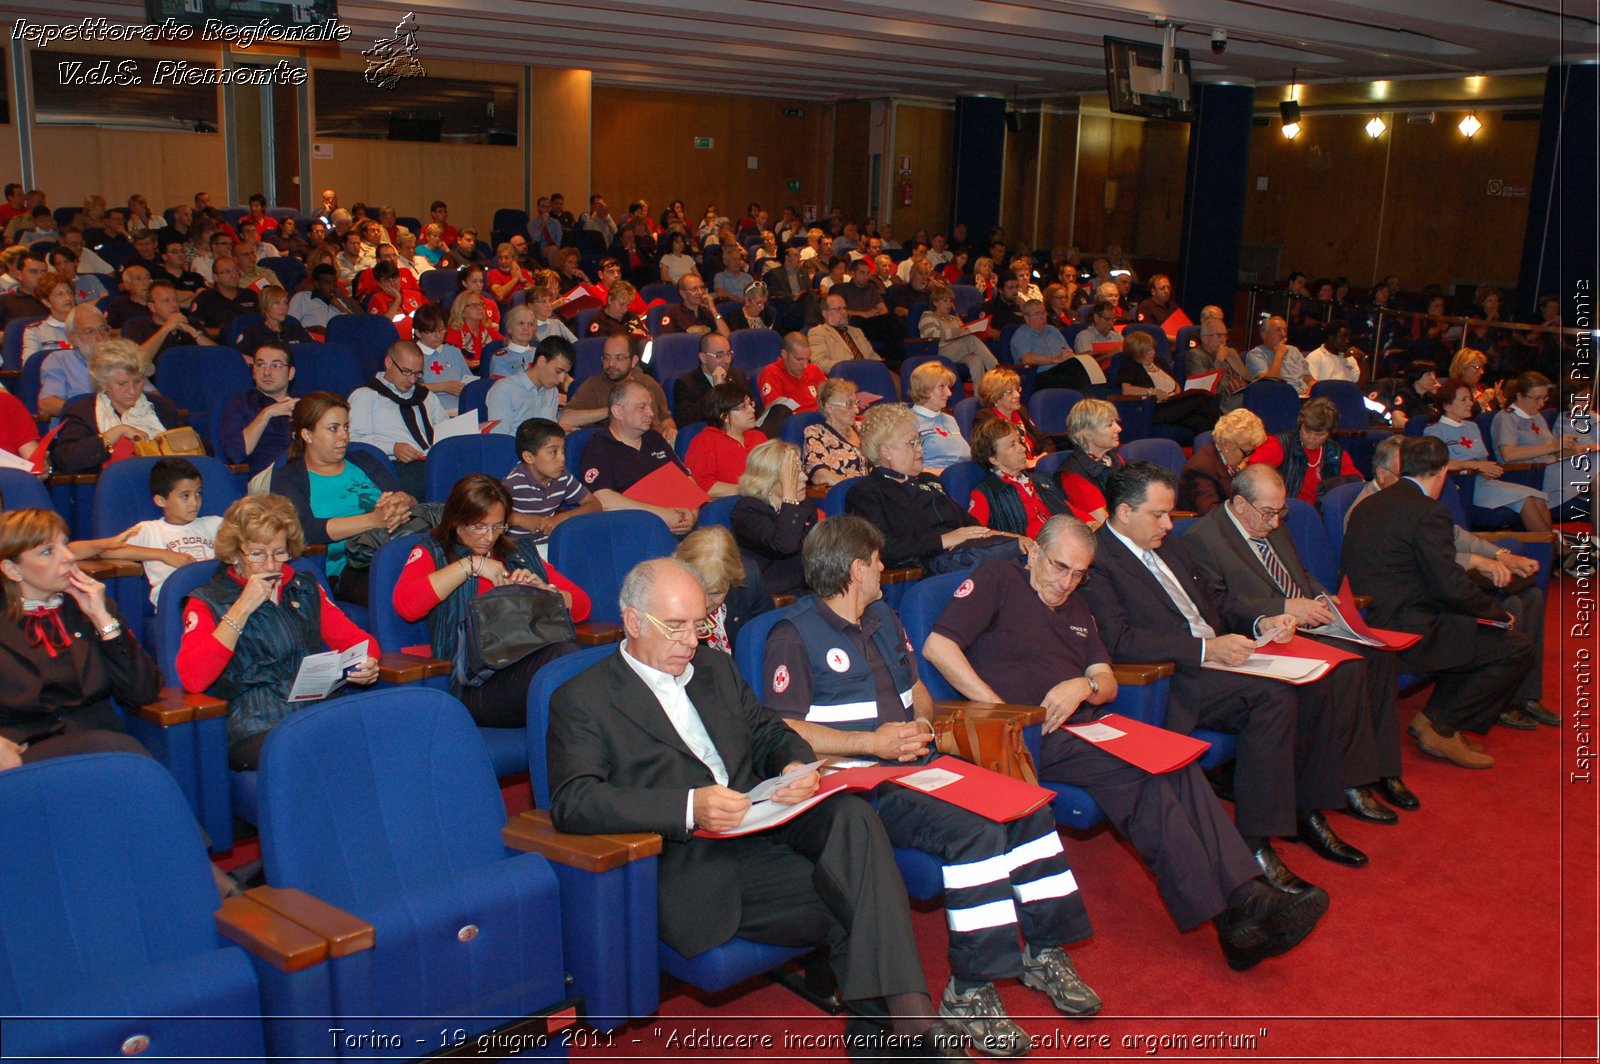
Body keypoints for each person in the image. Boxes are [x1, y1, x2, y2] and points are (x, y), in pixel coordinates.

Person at [545, 558, 966, 1060]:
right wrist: (688, 807)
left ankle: (897, 1034)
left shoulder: (713, 668)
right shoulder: (582, 699)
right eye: (674, 626)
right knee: (861, 898)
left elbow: (769, 732)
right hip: (695, 859)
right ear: (634, 622)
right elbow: (575, 801)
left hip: (765, 822)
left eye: (698, 624)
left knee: (853, 819)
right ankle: (905, 1030)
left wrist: (792, 766)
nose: (689, 640)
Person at [923, 515, 1330, 971]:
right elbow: (939, 647)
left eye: (1079, 574)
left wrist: (1083, 686)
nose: (1066, 583)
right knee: (1144, 778)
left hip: (1088, 721)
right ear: (1034, 553)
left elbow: (1106, 678)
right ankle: (1236, 912)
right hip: (1030, 736)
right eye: (1059, 568)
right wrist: (1003, 712)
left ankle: (1245, 898)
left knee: (1177, 762)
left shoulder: (1077, 604)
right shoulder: (998, 579)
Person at [764, 516, 1101, 1052]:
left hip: (916, 765)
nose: (883, 567)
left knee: (1028, 806)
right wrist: (872, 743)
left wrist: (923, 724)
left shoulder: (882, 617)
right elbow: (782, 729)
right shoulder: (793, 634)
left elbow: (917, 686)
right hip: (861, 786)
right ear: (856, 569)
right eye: (875, 561)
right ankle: (970, 989)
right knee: (977, 832)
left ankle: (1044, 949)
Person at [1082, 462, 1372, 880]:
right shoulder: (1098, 560)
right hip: (1173, 678)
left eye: (1170, 513)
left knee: (1314, 681)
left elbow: (1215, 606)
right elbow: (1121, 642)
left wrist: (1263, 621)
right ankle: (1255, 842)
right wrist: (1205, 648)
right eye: (1158, 514)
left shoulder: (1168, 545)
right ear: (1125, 512)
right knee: (1272, 699)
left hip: (1218, 657)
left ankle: (1304, 811)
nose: (1169, 523)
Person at [1182, 465, 1412, 818]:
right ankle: (1350, 781)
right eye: (1268, 513)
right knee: (1349, 666)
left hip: (1304, 621)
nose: (1275, 522)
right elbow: (1216, 604)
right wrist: (1284, 606)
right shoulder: (1204, 537)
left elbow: (1299, 574)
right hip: (1265, 633)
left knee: (1381, 657)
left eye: (1280, 512)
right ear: (1240, 504)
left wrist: (1323, 598)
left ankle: (1381, 769)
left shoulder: (1268, 523)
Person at [1342, 438, 1536, 769]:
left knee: (1471, 628)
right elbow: (1449, 585)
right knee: (1515, 647)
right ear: (1443, 471)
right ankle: (1441, 726)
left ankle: (1431, 721)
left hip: (1369, 614)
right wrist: (1497, 615)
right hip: (1405, 627)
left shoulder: (1368, 503)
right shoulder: (1428, 512)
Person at [176, 495, 380, 769]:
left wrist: (366, 663)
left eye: (280, 553)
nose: (272, 566)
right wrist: (241, 609)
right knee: (318, 759)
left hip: (315, 711)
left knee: (381, 740)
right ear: (236, 553)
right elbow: (193, 678)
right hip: (255, 723)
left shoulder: (302, 585)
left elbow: (358, 641)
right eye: (257, 554)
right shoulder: (207, 600)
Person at [393, 474, 587, 725]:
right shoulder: (434, 553)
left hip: (526, 668)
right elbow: (407, 605)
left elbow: (582, 605)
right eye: (479, 526)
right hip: (475, 685)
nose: (489, 536)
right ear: (455, 521)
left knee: (570, 666)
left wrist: (545, 592)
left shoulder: (520, 553)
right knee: (562, 665)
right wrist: (472, 565)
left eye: (498, 526)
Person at [266, 392, 417, 607]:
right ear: (307, 435)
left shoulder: (364, 459)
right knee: (406, 590)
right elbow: (304, 530)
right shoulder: (289, 477)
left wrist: (402, 500)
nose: (344, 436)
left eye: (346, 427)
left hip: (398, 548)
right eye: (333, 428)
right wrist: (373, 520)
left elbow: (407, 499)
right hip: (348, 567)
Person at [846, 403, 1022, 574]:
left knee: (1023, 549)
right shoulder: (867, 492)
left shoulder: (929, 481)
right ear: (886, 451)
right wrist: (943, 541)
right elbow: (884, 547)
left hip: (962, 552)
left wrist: (1009, 537)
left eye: (920, 441)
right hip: (930, 562)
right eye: (912, 443)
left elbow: (969, 524)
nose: (920, 448)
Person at [1428, 377, 1559, 542]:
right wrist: (1476, 466)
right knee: (1524, 500)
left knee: (1539, 498)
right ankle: (1555, 549)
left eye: (1470, 398)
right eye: (1464, 400)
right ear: (1447, 405)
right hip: (1464, 485)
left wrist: (1486, 469)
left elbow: (1483, 458)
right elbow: (1441, 463)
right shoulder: (1435, 432)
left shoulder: (1472, 427)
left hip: (1485, 481)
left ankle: (1551, 550)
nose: (1470, 403)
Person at [578, 380, 698, 534]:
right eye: (642, 407)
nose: (651, 413)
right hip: (630, 530)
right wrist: (661, 514)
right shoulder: (599, 447)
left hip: (675, 524)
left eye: (650, 406)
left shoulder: (654, 439)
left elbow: (687, 481)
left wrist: (692, 515)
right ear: (618, 412)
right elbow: (602, 498)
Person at [50, 340, 186, 474]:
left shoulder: (162, 407)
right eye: (122, 383)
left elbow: (190, 450)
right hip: (109, 490)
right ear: (103, 383)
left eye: (138, 381)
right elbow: (66, 461)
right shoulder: (82, 412)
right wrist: (117, 432)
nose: (132, 390)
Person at [348, 341, 449, 498]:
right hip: (392, 467)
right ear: (389, 363)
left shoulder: (426, 397)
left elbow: (446, 429)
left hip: (432, 462)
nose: (412, 380)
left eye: (417, 374)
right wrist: (393, 448)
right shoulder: (366, 395)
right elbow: (353, 439)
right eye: (406, 372)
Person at [119, 457, 223, 607]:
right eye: (185, 496)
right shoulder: (149, 530)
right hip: (176, 603)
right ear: (161, 500)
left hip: (216, 598)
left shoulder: (215, 524)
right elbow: (106, 551)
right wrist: (163, 555)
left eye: (198, 493)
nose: (195, 502)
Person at [1492, 371, 1595, 513]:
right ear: (1520, 395)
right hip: (1530, 475)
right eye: (1537, 398)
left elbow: (1554, 451)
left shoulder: (1537, 416)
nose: (1541, 403)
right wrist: (1553, 446)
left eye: (1544, 398)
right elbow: (1508, 454)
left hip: (1550, 469)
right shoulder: (1506, 418)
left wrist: (1576, 450)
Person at [731, 439, 817, 597]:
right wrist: (789, 495)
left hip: (807, 586)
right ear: (770, 479)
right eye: (795, 474)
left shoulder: (805, 505)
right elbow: (785, 545)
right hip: (774, 594)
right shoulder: (747, 510)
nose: (805, 478)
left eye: (802, 470)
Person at [502, 417, 600, 553]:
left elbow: (594, 504)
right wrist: (518, 519)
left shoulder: (562, 476)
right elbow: (487, 520)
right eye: (553, 452)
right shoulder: (512, 484)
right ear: (529, 457)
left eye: (563, 451)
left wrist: (562, 518)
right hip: (519, 551)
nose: (562, 458)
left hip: (550, 545)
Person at [965, 419, 1079, 535]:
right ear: (993, 459)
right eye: (1012, 445)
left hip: (1065, 537)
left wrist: (1090, 522)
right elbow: (974, 533)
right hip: (1033, 550)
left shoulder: (1042, 480)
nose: (1023, 448)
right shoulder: (985, 493)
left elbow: (1067, 508)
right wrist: (1013, 539)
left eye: (1019, 442)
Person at [1247, 398, 1361, 508]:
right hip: (1285, 511)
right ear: (1301, 424)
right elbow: (1248, 477)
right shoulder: (1279, 444)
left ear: (1330, 433)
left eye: (1319, 435)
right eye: (1307, 431)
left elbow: (1356, 485)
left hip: (1320, 513)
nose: (1311, 438)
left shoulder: (1335, 453)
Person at [674, 526, 772, 652]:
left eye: (715, 593)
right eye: (698, 591)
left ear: (731, 581)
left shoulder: (749, 581)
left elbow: (764, 636)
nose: (705, 603)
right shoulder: (666, 597)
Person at [218, 341, 298, 475]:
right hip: (269, 477)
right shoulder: (241, 404)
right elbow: (235, 454)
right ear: (253, 372)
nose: (267, 372)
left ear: (291, 373)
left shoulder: (304, 403)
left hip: (309, 472)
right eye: (260, 365)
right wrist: (266, 414)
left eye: (276, 365)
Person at [1118, 330, 1218, 437]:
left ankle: (1214, 447)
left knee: (1199, 421)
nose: (1153, 352)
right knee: (1200, 398)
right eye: (1148, 350)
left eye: (1153, 348)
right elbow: (1126, 390)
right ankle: (1224, 434)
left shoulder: (1160, 362)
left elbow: (1175, 383)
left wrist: (1178, 393)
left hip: (1172, 403)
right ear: (1137, 352)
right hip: (1153, 409)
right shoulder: (1130, 366)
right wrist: (1153, 392)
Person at [1177, 408, 1267, 515]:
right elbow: (1211, 512)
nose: (1247, 459)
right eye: (1246, 452)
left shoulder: (1226, 461)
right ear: (1228, 444)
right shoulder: (1201, 468)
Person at [1053, 398, 1127, 526]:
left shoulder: (1114, 459)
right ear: (1088, 434)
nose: (1119, 428)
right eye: (1110, 425)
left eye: (1115, 422)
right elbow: (1106, 524)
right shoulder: (1074, 475)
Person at [683, 383, 765, 497]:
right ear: (725, 417)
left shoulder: (758, 437)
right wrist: (747, 490)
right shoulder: (705, 442)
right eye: (744, 407)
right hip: (731, 507)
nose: (752, 410)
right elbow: (702, 485)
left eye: (751, 404)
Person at [486, 335, 577, 436]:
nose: (561, 379)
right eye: (558, 371)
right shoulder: (504, 390)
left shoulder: (552, 391)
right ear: (541, 361)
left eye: (565, 374)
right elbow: (498, 440)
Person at [918, 283, 997, 379]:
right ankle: (997, 371)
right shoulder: (928, 315)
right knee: (970, 340)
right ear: (935, 302)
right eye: (945, 301)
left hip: (956, 350)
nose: (949, 304)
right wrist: (956, 332)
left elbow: (962, 333)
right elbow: (932, 335)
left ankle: (979, 393)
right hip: (938, 350)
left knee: (976, 359)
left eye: (950, 301)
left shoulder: (953, 318)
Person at [411, 303, 478, 417]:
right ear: (418, 333)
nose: (438, 335)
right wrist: (443, 387)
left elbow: (470, 381)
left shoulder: (453, 352)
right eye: (432, 331)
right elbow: (409, 388)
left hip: (461, 409)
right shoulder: (410, 355)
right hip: (430, 412)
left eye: (441, 330)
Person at [673, 332, 751, 427]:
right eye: (719, 355)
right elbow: (685, 421)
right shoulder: (686, 383)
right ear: (703, 357)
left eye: (729, 354)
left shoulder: (737, 376)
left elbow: (751, 407)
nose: (727, 360)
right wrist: (716, 391)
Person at [804, 377, 869, 487]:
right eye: (849, 404)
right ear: (829, 407)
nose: (856, 410)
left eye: (856, 403)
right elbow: (820, 476)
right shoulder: (816, 434)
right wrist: (859, 487)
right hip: (846, 495)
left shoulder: (858, 429)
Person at [907, 361, 970, 472]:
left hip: (963, 475)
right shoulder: (909, 422)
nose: (949, 393)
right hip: (936, 481)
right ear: (924, 389)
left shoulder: (950, 419)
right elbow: (907, 467)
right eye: (941, 387)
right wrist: (944, 474)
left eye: (948, 387)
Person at [1187, 317, 1251, 411]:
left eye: (1225, 335)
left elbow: (1247, 377)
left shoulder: (1231, 352)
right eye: (1218, 335)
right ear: (1205, 338)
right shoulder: (1195, 355)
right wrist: (1219, 360)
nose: (1223, 340)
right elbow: (1204, 388)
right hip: (1223, 399)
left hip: (1244, 391)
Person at [757, 331, 827, 416]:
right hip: (794, 425)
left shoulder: (814, 370)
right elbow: (774, 415)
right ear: (784, 354)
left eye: (807, 359)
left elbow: (830, 399)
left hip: (820, 421)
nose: (805, 365)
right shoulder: (772, 373)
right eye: (799, 359)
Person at [808, 292, 879, 373]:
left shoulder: (857, 331)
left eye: (845, 308)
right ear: (825, 314)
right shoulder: (818, 332)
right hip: (843, 379)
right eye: (838, 309)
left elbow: (873, 356)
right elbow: (819, 363)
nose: (844, 312)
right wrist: (851, 367)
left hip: (868, 374)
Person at [235, 284, 312, 357]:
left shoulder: (294, 328)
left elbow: (313, 349)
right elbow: (239, 356)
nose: (283, 307)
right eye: (277, 303)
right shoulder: (253, 332)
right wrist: (260, 363)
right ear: (265, 305)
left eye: (285, 302)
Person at [1244, 316, 1313, 395]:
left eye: (1285, 330)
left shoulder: (1293, 350)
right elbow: (1268, 385)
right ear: (1264, 334)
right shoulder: (1256, 355)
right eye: (1278, 330)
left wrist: (1312, 384)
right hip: (1280, 398)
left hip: (1304, 396)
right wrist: (1279, 355)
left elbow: (1307, 377)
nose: (1283, 334)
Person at [19, 269, 75, 365]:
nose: (68, 298)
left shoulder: (86, 326)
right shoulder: (35, 331)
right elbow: (30, 366)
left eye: (70, 292)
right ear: (46, 302)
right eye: (60, 294)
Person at [288, 263, 361, 335]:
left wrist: (338, 305)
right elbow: (290, 324)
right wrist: (311, 329)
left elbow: (354, 326)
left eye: (334, 283)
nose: (332, 287)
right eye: (327, 283)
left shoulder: (339, 303)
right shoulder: (302, 298)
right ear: (317, 284)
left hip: (337, 343)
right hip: (311, 341)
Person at [444, 290, 502, 368]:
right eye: (474, 305)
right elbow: (449, 359)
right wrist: (465, 363)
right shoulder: (455, 332)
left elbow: (505, 345)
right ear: (462, 311)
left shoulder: (487, 330)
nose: (480, 308)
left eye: (481, 304)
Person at [660, 273, 729, 337]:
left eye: (702, 288)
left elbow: (727, 338)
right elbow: (665, 340)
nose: (700, 292)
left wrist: (713, 310)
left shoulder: (708, 312)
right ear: (683, 294)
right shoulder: (673, 312)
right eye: (694, 289)